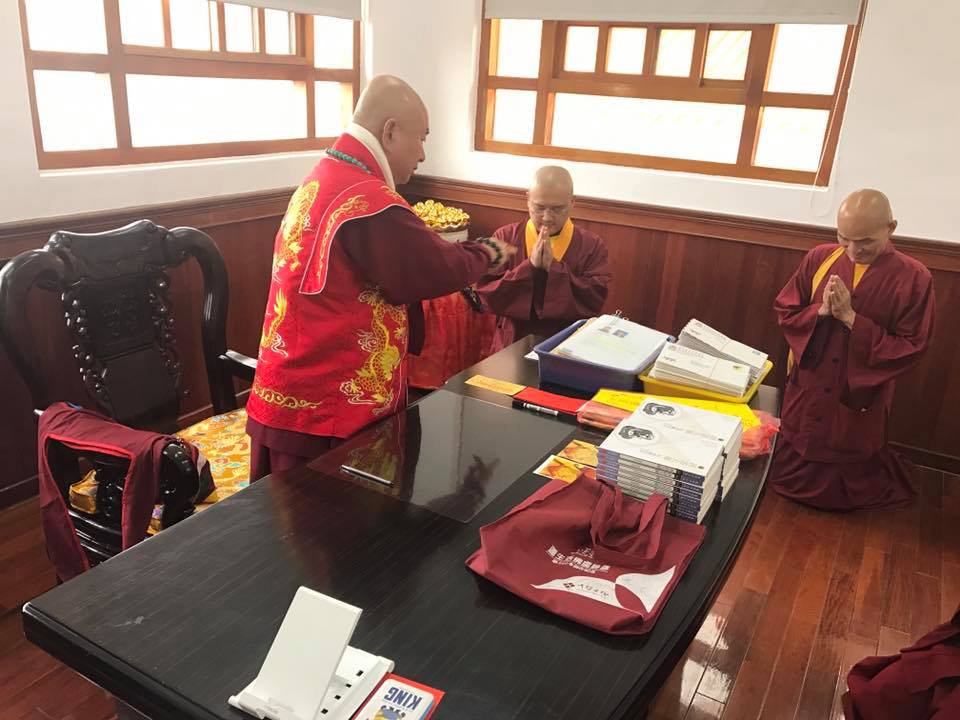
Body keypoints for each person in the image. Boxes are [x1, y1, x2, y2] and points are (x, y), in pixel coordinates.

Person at [246, 75, 514, 481]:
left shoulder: (322, 177)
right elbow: (430, 268)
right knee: (325, 518)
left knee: (284, 515)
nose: (422, 154)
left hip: (289, 386)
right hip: (328, 405)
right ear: (390, 131)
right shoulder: (369, 201)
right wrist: (487, 253)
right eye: (421, 138)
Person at [769, 189, 936, 510]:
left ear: (891, 228)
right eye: (844, 238)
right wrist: (819, 312)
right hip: (812, 381)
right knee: (797, 443)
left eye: (865, 241)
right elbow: (786, 309)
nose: (853, 250)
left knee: (848, 440)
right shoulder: (820, 257)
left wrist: (851, 318)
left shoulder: (914, 277)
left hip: (857, 392)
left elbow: (912, 346)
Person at [475, 166, 612, 353]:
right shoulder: (505, 237)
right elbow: (487, 294)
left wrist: (553, 269)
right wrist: (529, 268)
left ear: (572, 203)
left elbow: (594, 298)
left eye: (557, 209)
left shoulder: (591, 245)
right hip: (512, 341)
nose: (547, 218)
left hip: (567, 343)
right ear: (527, 200)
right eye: (539, 208)